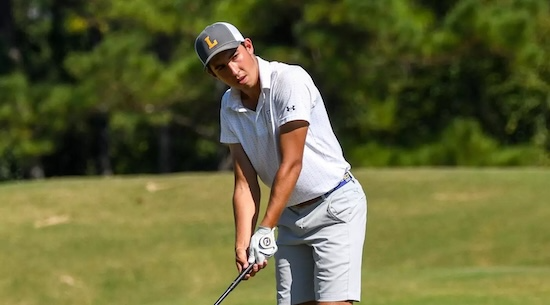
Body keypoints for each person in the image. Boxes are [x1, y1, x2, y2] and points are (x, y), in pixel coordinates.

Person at [194, 22, 368, 305]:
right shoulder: (229, 106)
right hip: (290, 218)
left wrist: (264, 229)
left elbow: (292, 164)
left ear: (248, 46)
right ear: (214, 75)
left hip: (334, 208)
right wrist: (243, 242)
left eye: (234, 57)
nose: (234, 71)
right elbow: (244, 182)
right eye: (221, 68)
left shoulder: (289, 81)